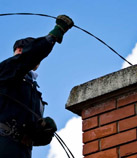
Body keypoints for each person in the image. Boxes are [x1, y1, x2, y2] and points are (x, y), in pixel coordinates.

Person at [0, 15, 74, 158]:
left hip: (22, 153)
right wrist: (54, 34)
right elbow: (25, 60)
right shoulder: (5, 72)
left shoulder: (34, 93)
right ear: (20, 51)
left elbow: (35, 136)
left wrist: (45, 130)